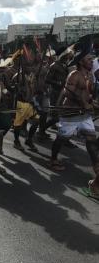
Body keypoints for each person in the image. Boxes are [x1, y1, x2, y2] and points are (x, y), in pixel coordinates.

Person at [50, 43, 99, 198]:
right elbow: (67, 91)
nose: (92, 61)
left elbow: (88, 94)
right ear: (80, 62)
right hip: (70, 114)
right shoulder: (74, 75)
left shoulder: (90, 75)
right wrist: (82, 102)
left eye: (92, 59)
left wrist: (92, 102)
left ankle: (97, 168)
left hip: (84, 115)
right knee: (61, 138)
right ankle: (53, 159)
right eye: (89, 59)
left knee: (91, 140)